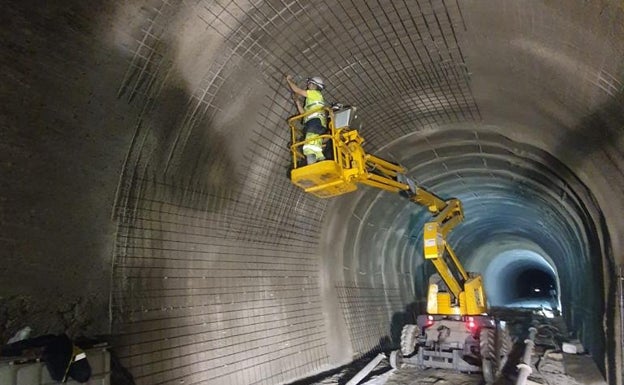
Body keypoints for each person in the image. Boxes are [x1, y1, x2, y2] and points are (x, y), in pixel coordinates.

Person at [1, 333, 92, 383]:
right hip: (52, 346)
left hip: (56, 343)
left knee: (22, 346)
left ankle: (6, 349)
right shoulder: (61, 368)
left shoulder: (77, 360)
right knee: (21, 348)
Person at [285, 74, 327, 164]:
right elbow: (303, 114)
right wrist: (297, 102)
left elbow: (297, 90)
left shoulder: (315, 94)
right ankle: (320, 159)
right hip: (315, 122)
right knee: (315, 143)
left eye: (310, 84)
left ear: (315, 86)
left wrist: (289, 80)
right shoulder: (311, 99)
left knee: (309, 145)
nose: (308, 86)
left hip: (315, 121)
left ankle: (312, 163)